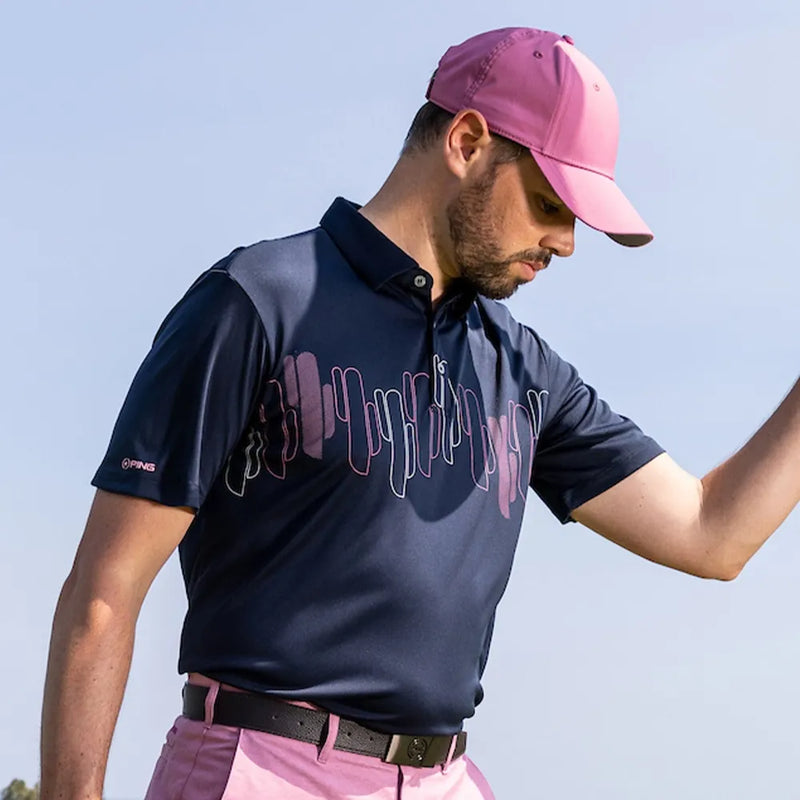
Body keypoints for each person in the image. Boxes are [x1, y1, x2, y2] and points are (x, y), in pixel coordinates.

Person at [40, 26, 800, 800]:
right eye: (548, 203)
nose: (566, 243)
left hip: (444, 780)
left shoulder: (523, 369)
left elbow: (715, 533)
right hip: (262, 769)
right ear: (467, 141)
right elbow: (104, 592)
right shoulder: (258, 302)